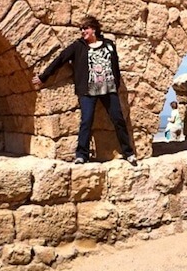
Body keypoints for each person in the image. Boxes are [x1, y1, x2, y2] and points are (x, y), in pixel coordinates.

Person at [32, 16, 136, 165]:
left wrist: (116, 83)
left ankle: (129, 153)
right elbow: (60, 59)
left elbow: (115, 64)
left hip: (108, 89)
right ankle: (82, 155)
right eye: (81, 29)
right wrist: (44, 76)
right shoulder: (78, 46)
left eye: (85, 28)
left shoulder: (108, 44)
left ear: (93, 29)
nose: (83, 31)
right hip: (88, 90)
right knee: (86, 121)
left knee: (118, 119)